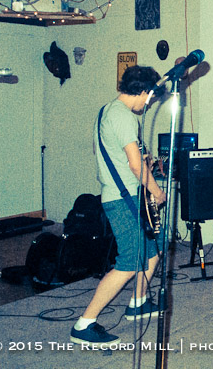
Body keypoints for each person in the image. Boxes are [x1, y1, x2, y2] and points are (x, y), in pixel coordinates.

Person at [71, 65, 167, 347]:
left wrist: (143, 163)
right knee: (129, 261)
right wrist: (157, 191)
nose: (149, 103)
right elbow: (136, 166)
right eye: (150, 97)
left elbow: (115, 155)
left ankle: (138, 302)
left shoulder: (107, 111)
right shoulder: (125, 117)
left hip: (127, 194)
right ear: (143, 91)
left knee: (155, 247)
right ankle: (84, 324)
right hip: (123, 198)